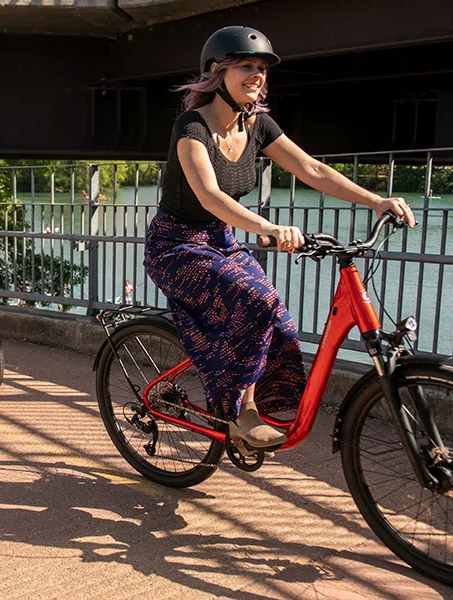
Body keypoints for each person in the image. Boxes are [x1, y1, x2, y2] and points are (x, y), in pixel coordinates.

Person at [144, 27, 414, 448]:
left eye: (262, 69)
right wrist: (268, 228)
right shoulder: (192, 126)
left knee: (276, 317)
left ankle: (262, 404)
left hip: (220, 241)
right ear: (217, 72)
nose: (257, 75)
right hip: (176, 246)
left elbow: (313, 171)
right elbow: (210, 195)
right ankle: (240, 414)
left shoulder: (258, 124)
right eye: (246, 66)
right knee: (252, 301)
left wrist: (376, 201)